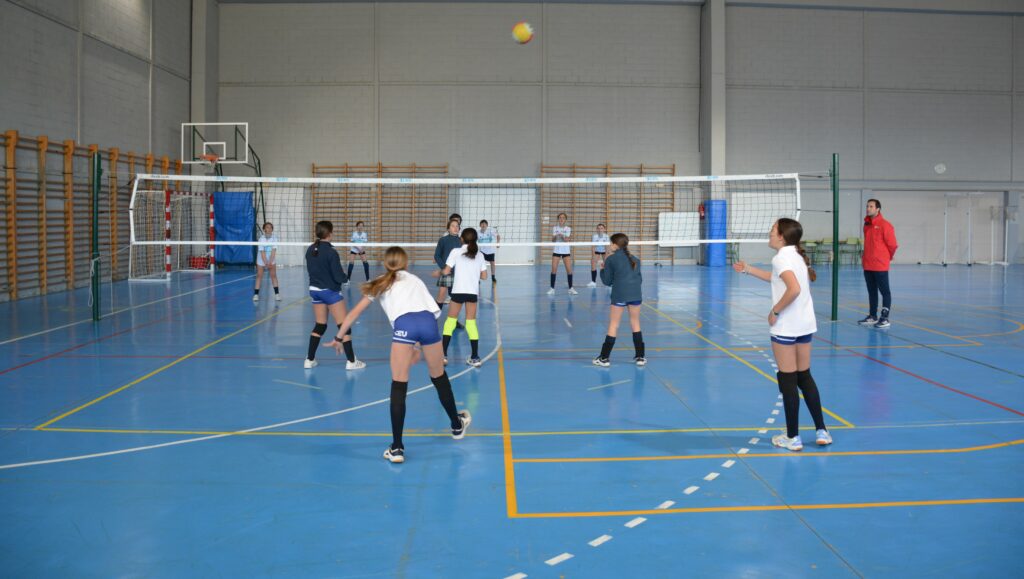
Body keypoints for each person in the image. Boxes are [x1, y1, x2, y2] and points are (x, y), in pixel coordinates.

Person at [328, 246, 472, 464]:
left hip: (404, 326)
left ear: (386, 263)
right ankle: (456, 424)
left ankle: (396, 448)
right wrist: (417, 345)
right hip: (428, 324)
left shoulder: (380, 282)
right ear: (405, 263)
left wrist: (339, 338)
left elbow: (355, 313)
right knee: (439, 377)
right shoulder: (414, 279)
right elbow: (430, 312)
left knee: (399, 385)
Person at [732, 218, 831, 452]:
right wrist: (748, 269)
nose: (769, 233)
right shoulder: (794, 256)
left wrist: (775, 310)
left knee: (788, 380)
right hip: (805, 325)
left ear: (782, 236)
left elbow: (793, 289)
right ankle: (822, 431)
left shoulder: (781, 258)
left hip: (787, 326)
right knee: (804, 377)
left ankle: (793, 437)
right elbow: (778, 279)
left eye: (772, 231)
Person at [303, 221, 365, 371]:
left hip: (315, 290)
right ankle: (351, 361)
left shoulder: (310, 249)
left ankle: (309, 360)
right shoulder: (331, 252)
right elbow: (338, 276)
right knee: (344, 325)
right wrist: (346, 278)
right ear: (330, 233)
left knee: (320, 325)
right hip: (330, 292)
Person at [433, 227, 488, 367]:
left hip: (458, 292)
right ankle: (475, 357)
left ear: (461, 239)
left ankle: (443, 356)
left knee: (450, 322)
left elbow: (446, 271)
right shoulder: (480, 255)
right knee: (471, 323)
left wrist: (438, 273)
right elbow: (485, 276)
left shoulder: (456, 252)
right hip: (472, 293)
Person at [593, 233, 645, 367]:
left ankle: (604, 358)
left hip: (620, 295)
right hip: (635, 294)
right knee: (635, 323)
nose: (609, 246)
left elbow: (607, 281)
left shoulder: (610, 259)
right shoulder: (635, 259)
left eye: (611, 243)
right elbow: (640, 279)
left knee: (614, 324)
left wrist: (602, 270)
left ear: (616, 245)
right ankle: (640, 357)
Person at [859, 199, 898, 329]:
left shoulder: (885, 225)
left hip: (880, 264)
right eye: (867, 206)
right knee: (872, 292)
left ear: (878, 209)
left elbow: (893, 245)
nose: (868, 208)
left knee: (884, 291)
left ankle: (885, 318)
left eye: (871, 206)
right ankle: (872, 316)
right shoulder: (867, 225)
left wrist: (887, 257)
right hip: (868, 264)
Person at [433, 218, 462, 308]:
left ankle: (454, 321)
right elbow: (437, 255)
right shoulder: (443, 240)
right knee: (442, 294)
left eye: (457, 226)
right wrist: (444, 268)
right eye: (453, 226)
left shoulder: (462, 241)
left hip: (459, 272)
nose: (455, 228)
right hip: (447, 271)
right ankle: (435, 317)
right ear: (448, 229)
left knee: (455, 297)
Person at [549, 213, 577, 295]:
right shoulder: (555, 228)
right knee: (554, 270)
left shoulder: (568, 228)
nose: (561, 219)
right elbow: (553, 240)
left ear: (565, 220)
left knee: (569, 270)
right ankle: (552, 289)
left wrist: (562, 236)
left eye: (563, 218)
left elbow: (567, 240)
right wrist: (555, 236)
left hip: (566, 251)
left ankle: (571, 288)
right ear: (558, 219)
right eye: (560, 218)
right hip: (556, 251)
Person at [254, 222, 280, 302]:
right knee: (259, 276)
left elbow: (273, 251)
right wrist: (266, 263)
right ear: (264, 229)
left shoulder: (275, 238)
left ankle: (277, 295)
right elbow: (262, 253)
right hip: (261, 260)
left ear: (272, 229)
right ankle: (256, 295)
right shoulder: (261, 239)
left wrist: (270, 262)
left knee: (273, 276)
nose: (269, 229)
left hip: (271, 259)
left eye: (270, 227)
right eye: (267, 227)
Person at [478, 219, 500, 283]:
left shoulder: (490, 231)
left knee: (492, 263)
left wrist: (498, 243)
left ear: (487, 225)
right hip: (482, 251)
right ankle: (478, 277)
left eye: (485, 223)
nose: (483, 224)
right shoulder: (478, 232)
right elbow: (474, 239)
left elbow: (498, 236)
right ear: (480, 225)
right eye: (482, 223)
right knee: (479, 264)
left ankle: (493, 276)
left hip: (490, 250)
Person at [588, 223, 610, 288]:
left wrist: (606, 257)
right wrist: (593, 256)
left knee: (607, 266)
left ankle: (608, 282)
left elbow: (607, 247)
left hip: (604, 251)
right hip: (597, 251)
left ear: (604, 229)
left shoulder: (606, 236)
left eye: (601, 228)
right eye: (598, 228)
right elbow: (593, 247)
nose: (600, 230)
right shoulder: (594, 236)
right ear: (597, 229)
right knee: (593, 264)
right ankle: (593, 282)